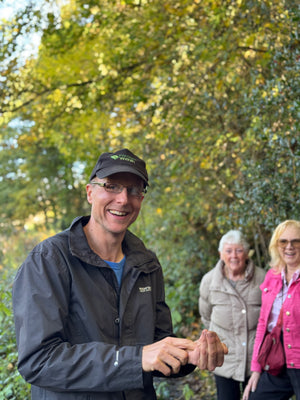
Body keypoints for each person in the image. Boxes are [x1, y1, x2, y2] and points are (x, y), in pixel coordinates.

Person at [13, 148, 227, 400]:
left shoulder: (147, 263)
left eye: (134, 190)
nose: (124, 199)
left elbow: (156, 343)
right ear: (90, 192)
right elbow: (38, 360)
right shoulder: (49, 259)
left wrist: (190, 353)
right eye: (112, 186)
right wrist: (135, 360)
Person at [199, 229, 266, 400]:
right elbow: (206, 316)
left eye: (239, 250)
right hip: (224, 358)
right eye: (228, 251)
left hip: (256, 359)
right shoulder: (209, 281)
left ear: (246, 253)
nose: (234, 256)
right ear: (221, 254)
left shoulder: (263, 278)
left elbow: (270, 317)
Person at [243, 220, 300, 400]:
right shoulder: (273, 275)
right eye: (283, 241)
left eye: (295, 241)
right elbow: (263, 324)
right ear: (276, 245)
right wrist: (256, 370)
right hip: (279, 361)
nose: (289, 247)